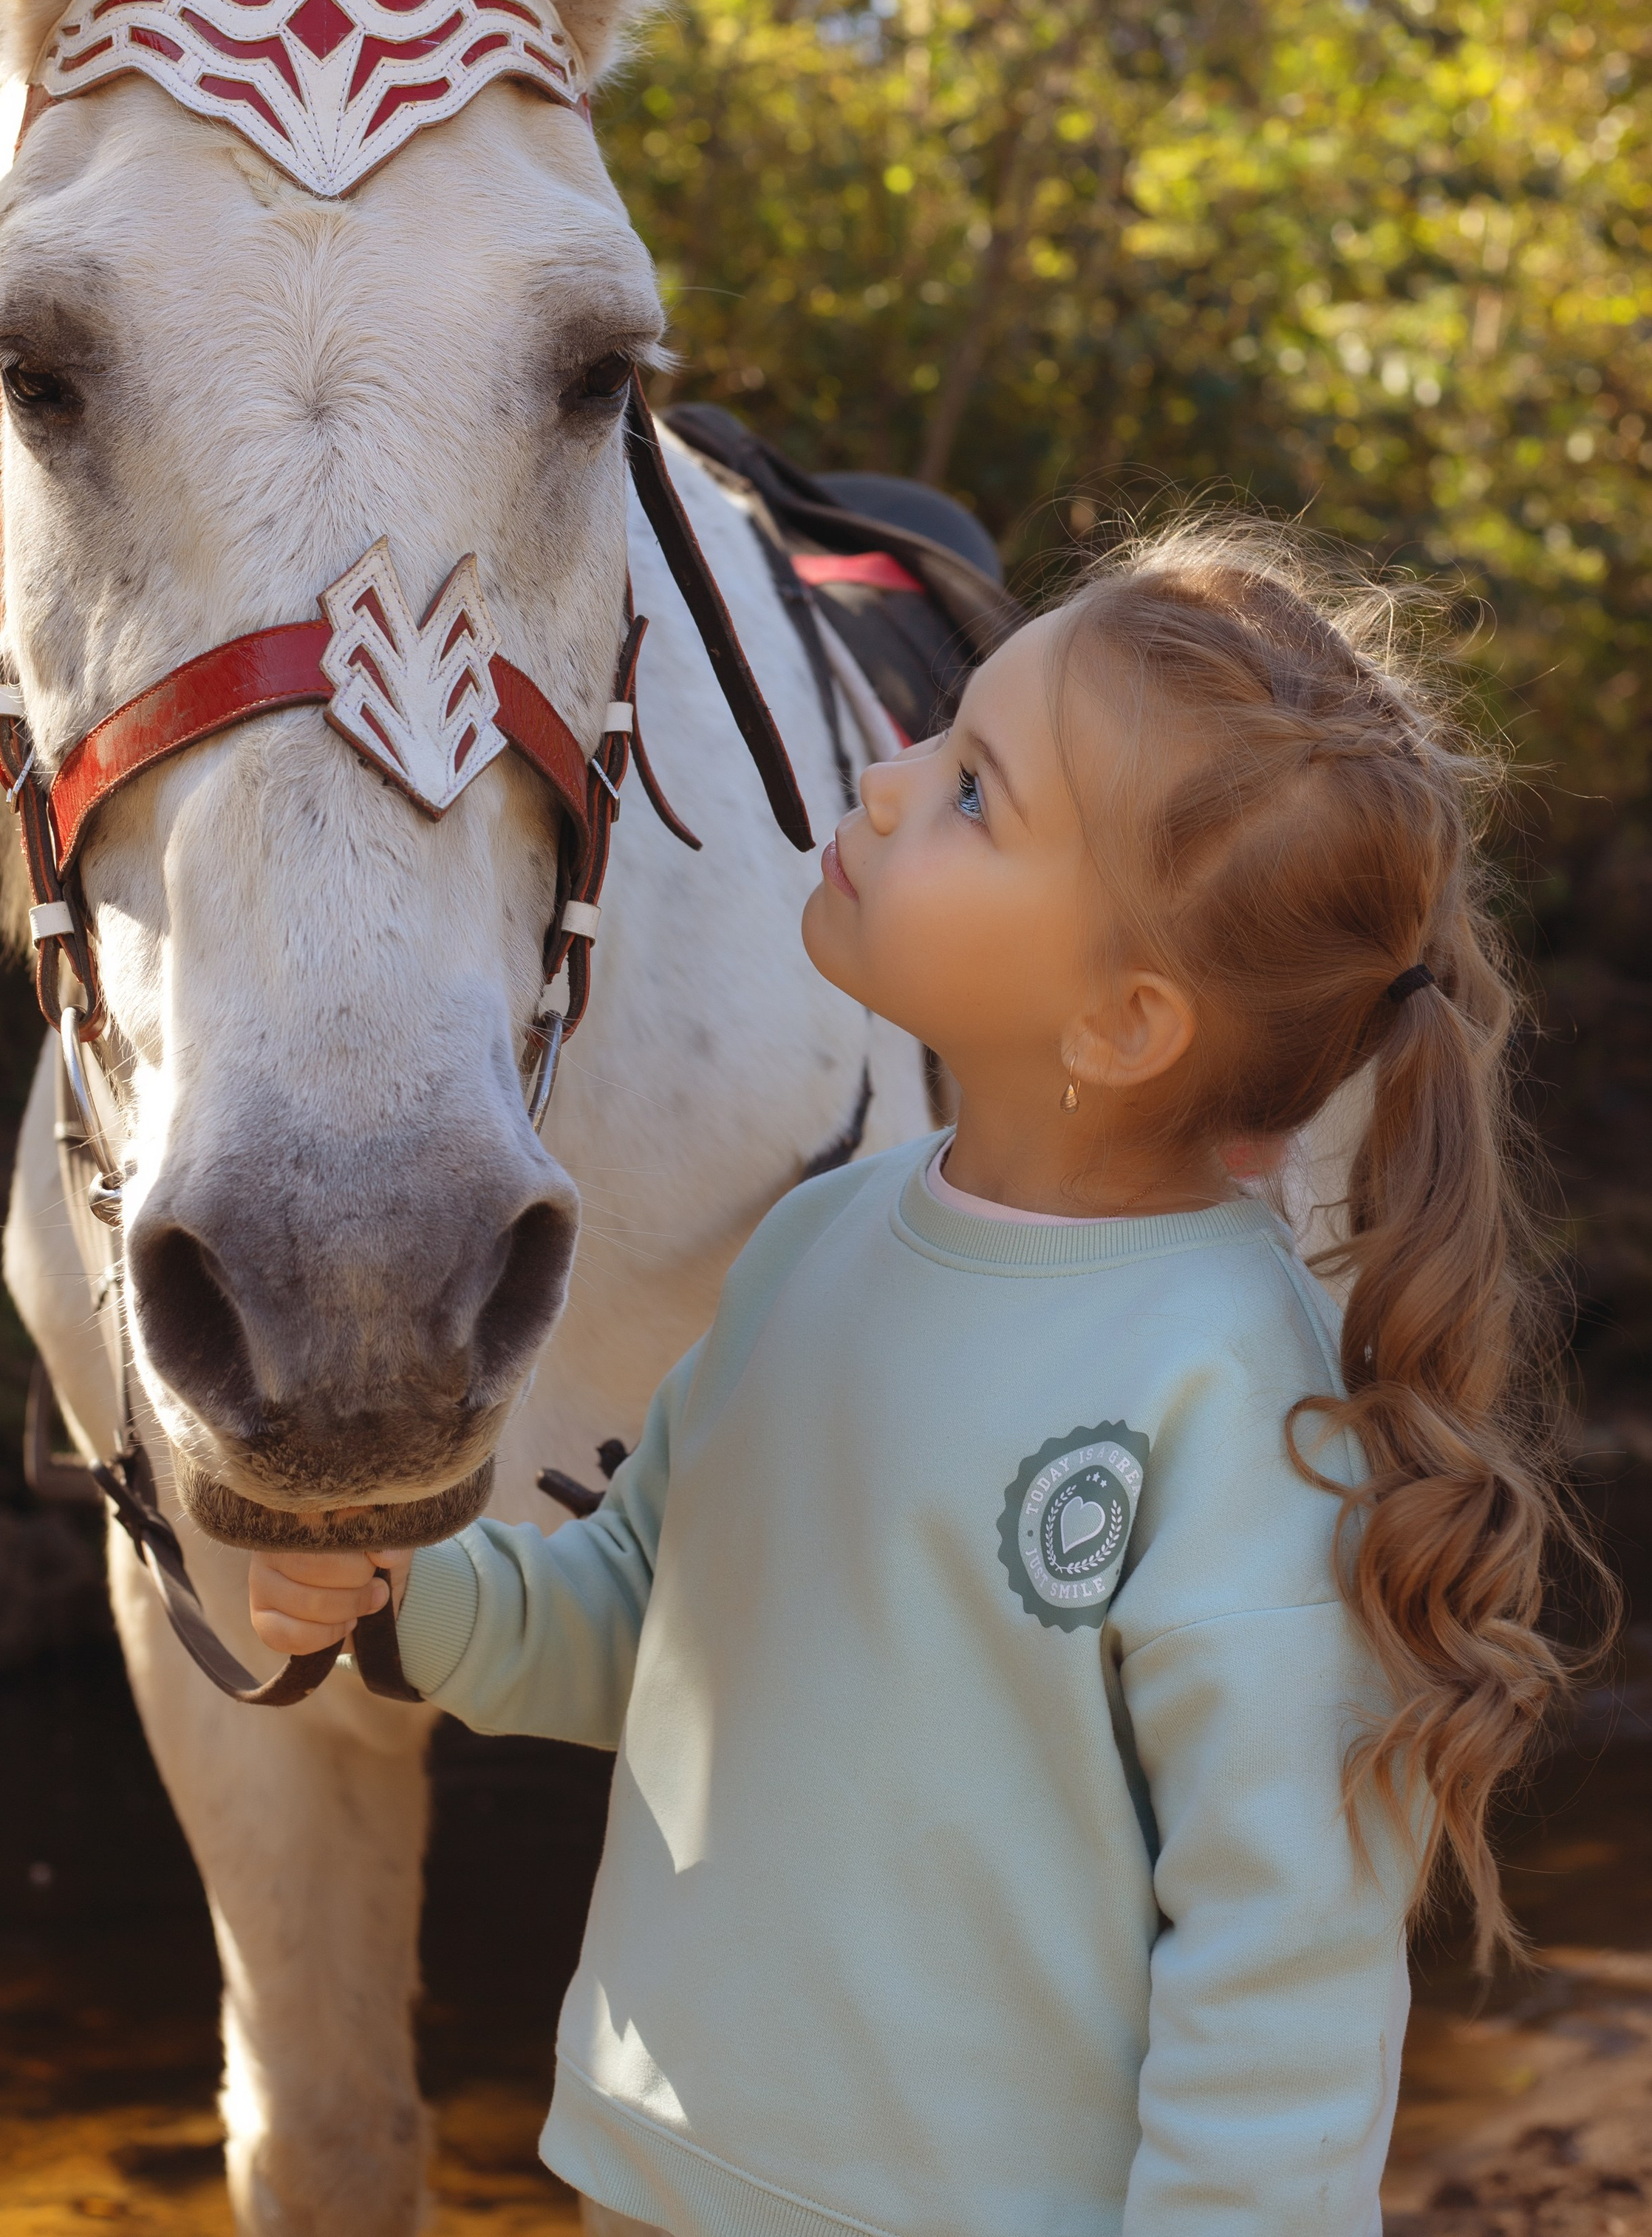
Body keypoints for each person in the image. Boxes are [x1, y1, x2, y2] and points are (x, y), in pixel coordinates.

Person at [250, 516, 1596, 2237]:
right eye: (940, 734)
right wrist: (411, 1593)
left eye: (973, 791)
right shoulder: (816, 1241)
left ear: (1121, 1023)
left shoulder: (1228, 1399)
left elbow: (1282, 1980)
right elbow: (651, 1634)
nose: (884, 781)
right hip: (657, 2178)